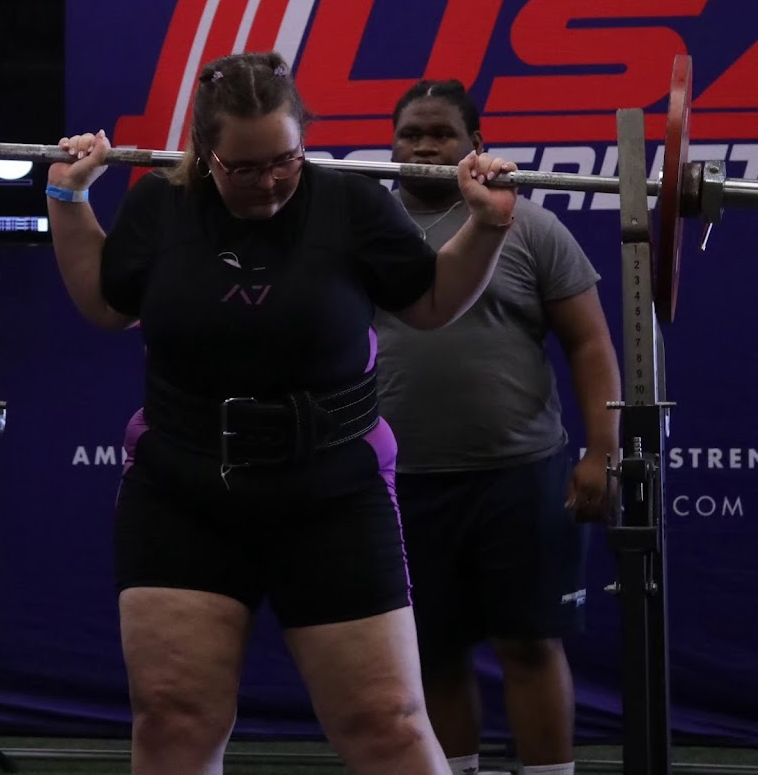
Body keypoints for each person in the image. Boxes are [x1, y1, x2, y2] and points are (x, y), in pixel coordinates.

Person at [45, 52, 518, 775]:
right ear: (205, 152)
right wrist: (68, 197)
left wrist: (485, 226)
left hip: (331, 490)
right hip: (184, 491)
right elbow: (108, 307)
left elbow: (428, 303)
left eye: (284, 161)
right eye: (244, 168)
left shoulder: (350, 203)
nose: (268, 181)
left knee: (386, 723)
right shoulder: (161, 206)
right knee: (174, 722)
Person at [374, 80, 621, 775]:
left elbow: (590, 344)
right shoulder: (365, 230)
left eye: (440, 134)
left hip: (520, 474)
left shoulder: (529, 226)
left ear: (474, 144)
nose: (424, 147)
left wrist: (603, 452)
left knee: (530, 645)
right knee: (432, 652)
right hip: (400, 481)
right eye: (410, 134)